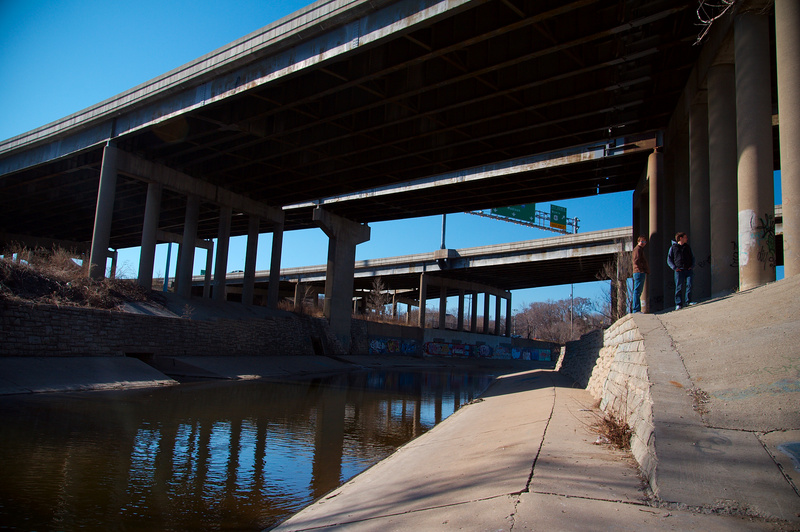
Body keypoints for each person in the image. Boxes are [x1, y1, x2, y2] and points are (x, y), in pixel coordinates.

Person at [667, 232, 695, 310]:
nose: (687, 239)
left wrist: (692, 266)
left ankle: (688, 301)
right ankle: (678, 304)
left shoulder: (687, 247)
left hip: (688, 269)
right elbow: (669, 259)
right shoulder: (673, 248)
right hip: (679, 270)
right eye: (685, 237)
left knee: (689, 284)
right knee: (679, 287)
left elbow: (692, 257)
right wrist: (674, 268)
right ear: (680, 238)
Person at [631, 236, 648, 313]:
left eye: (645, 242)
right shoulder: (637, 249)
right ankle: (636, 309)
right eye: (642, 241)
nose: (643, 243)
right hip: (638, 272)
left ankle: (636, 309)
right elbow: (636, 261)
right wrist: (641, 270)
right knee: (637, 291)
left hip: (639, 272)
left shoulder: (640, 249)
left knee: (638, 291)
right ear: (638, 241)